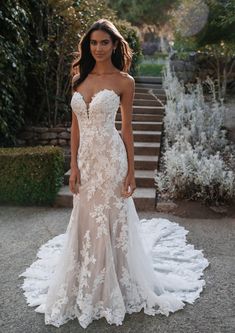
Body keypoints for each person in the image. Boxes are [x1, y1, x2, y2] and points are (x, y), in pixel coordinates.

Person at [18, 18, 210, 329]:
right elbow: (76, 126)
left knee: (110, 215)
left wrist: (132, 171)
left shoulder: (125, 81)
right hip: (87, 160)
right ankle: (86, 278)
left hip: (111, 158)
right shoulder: (78, 78)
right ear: (87, 45)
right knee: (86, 216)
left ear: (114, 44)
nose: (98, 48)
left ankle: (115, 282)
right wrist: (74, 165)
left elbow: (127, 129)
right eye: (93, 43)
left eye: (104, 42)